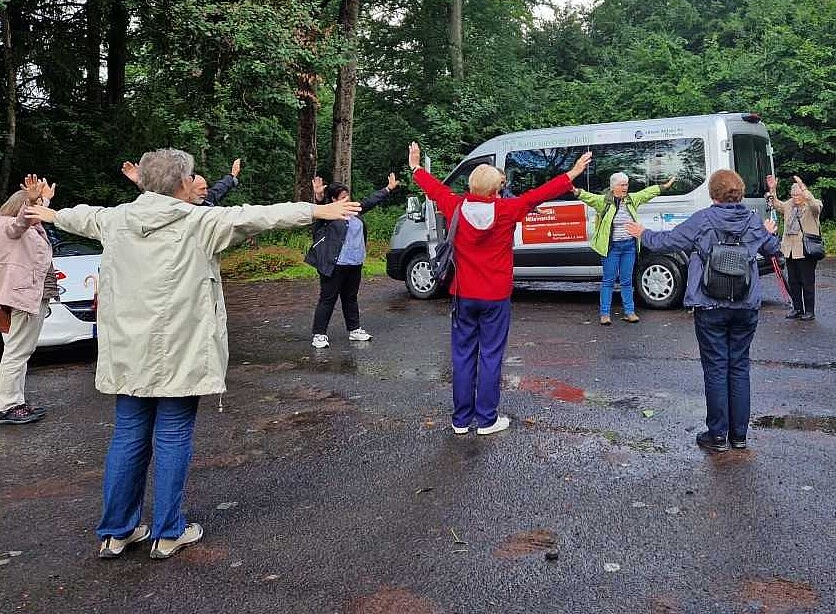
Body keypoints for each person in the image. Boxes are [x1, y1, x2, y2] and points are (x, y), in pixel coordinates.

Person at [25, 148, 361, 559]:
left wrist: (49, 212)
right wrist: (317, 211)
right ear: (183, 184)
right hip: (180, 353)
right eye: (192, 177)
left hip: (129, 352)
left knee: (129, 435)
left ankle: (116, 532)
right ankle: (168, 532)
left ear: (146, 184)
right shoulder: (201, 223)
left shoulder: (115, 220)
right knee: (171, 435)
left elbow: (78, 215)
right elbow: (259, 215)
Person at [408, 142, 592, 436]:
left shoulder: (456, 205)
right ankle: (486, 419)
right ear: (496, 190)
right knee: (491, 356)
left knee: (462, 356)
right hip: (495, 296)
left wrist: (416, 167)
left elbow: (435, 190)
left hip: (463, 295)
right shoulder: (507, 209)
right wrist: (571, 173)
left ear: (471, 186)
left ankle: (460, 420)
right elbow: (537, 196)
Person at [626, 170, 779, 452]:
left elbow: (668, 242)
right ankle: (740, 436)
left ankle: (718, 435)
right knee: (740, 367)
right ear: (740, 193)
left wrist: (642, 233)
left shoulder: (703, 219)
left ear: (713, 194)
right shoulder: (753, 221)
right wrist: (768, 233)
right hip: (745, 305)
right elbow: (773, 248)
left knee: (716, 368)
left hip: (710, 304)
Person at [305, 173, 400, 349]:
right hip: (334, 265)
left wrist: (388, 189)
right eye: (342, 197)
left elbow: (371, 200)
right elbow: (317, 214)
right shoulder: (327, 214)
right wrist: (318, 198)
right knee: (328, 299)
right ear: (333, 199)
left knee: (350, 298)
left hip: (354, 263)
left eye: (348, 196)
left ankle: (354, 330)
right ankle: (319, 334)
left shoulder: (354, 210)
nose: (347, 199)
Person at [575, 173, 674, 325]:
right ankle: (605, 314)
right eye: (622, 185)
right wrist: (577, 192)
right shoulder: (604, 201)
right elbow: (589, 197)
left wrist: (663, 187)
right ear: (613, 187)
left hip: (629, 246)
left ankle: (630, 312)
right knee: (609, 280)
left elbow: (646, 193)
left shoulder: (631, 200)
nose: (625, 188)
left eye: (626, 185)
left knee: (626, 281)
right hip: (612, 248)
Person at [0, 175, 57, 425]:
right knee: (17, 351)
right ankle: (8, 405)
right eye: (37, 204)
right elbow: (20, 223)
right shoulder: (10, 225)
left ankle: (16, 401)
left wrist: (45, 199)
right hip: (23, 296)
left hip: (28, 295)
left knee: (20, 350)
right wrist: (32, 202)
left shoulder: (30, 226)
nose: (41, 209)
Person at [766, 175, 822, 320]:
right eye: (793, 195)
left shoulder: (812, 205)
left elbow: (815, 205)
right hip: (789, 250)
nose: (795, 197)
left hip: (806, 250)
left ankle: (809, 311)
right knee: (793, 281)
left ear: (804, 194)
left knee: (807, 282)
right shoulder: (789, 204)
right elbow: (776, 204)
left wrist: (803, 187)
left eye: (798, 195)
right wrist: (772, 189)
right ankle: (797, 308)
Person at [123, 158, 242, 206]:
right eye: (202, 189)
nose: (206, 192)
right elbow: (157, 198)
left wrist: (232, 175)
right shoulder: (172, 206)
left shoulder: (206, 200)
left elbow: (220, 188)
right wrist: (141, 182)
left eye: (206, 188)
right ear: (186, 188)